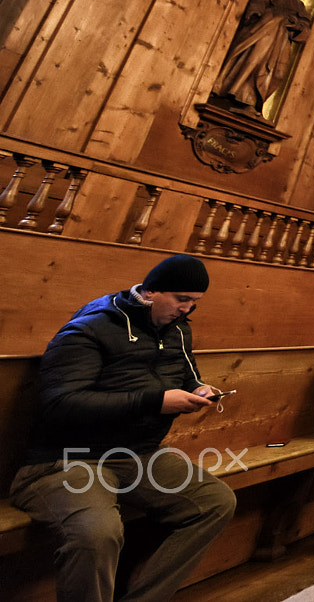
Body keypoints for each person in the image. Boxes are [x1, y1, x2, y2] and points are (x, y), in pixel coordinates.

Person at [9, 255, 237, 602]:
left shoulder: (177, 330)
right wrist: (154, 402)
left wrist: (198, 389)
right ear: (151, 291)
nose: (187, 309)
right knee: (97, 533)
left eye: (195, 303)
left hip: (136, 453)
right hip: (65, 460)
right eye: (181, 299)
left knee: (215, 502)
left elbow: (187, 375)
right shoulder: (89, 329)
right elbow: (60, 404)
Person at [211, 0, 310, 113]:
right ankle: (241, 97)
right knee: (254, 62)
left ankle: (255, 101)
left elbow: (305, 26)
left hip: (281, 39)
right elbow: (259, 1)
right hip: (265, 30)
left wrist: (295, 23)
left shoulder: (299, 4)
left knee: (278, 73)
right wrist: (255, 12)